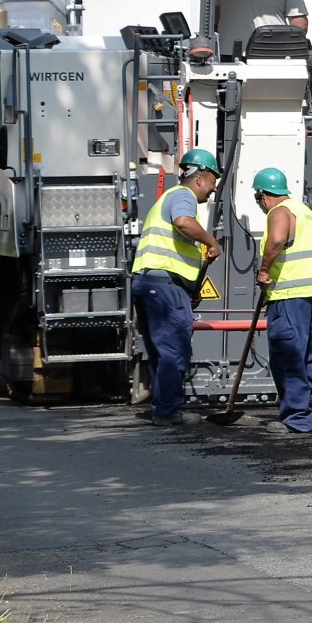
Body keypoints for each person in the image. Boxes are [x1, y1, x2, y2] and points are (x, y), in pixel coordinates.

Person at [130, 148, 222, 423]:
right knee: (174, 350)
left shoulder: (166, 199)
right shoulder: (183, 196)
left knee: (161, 351)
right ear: (200, 179)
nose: (212, 191)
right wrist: (211, 241)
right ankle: (168, 412)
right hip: (164, 286)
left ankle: (164, 408)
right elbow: (184, 222)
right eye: (212, 184)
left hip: (150, 284)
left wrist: (190, 289)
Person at [254, 166, 312, 435]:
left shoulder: (279, 211)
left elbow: (278, 239)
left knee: (288, 356)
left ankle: (296, 419)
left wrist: (265, 268)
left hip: (290, 295)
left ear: (263, 195)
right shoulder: (310, 215)